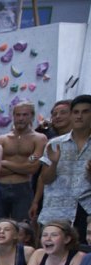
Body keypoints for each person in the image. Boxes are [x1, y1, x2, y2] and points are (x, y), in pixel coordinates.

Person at [34, 94, 91, 237]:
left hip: (86, 210)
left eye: (85, 112)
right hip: (57, 211)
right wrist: (54, 163)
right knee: (53, 256)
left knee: (84, 257)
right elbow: (46, 179)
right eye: (76, 112)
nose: (79, 116)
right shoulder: (54, 143)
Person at [0, 101, 48, 223]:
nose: (21, 118)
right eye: (18, 115)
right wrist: (23, 166)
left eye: (25, 115)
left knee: (22, 229)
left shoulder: (39, 138)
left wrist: (5, 163)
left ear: (32, 116)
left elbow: (33, 168)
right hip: (0, 186)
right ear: (13, 116)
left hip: (23, 187)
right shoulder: (2, 139)